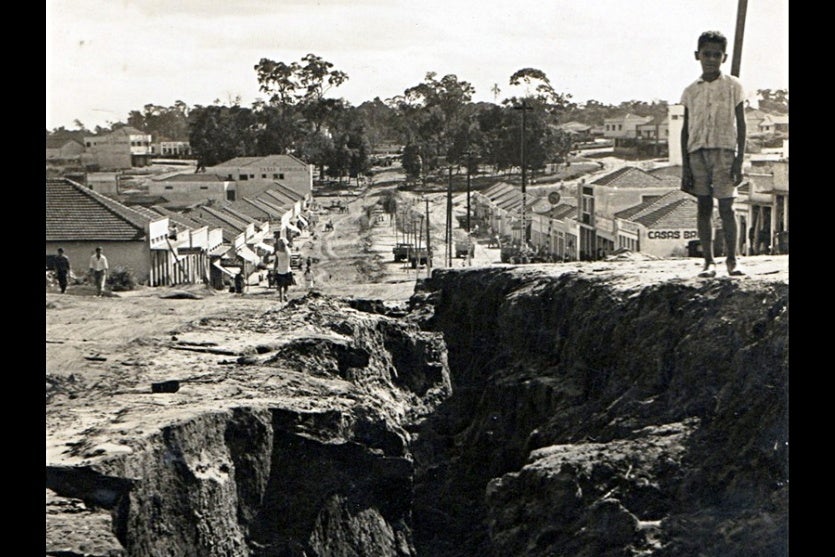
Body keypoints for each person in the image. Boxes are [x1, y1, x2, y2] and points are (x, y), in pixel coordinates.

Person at [680, 30, 746, 277]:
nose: (711, 59)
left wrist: (739, 160)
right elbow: (685, 130)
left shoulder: (733, 86)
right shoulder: (690, 91)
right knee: (704, 206)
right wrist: (685, 166)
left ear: (724, 57)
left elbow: (741, 124)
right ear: (697, 55)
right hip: (697, 153)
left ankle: (732, 259)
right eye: (706, 54)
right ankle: (708, 261)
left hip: (725, 152)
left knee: (727, 207)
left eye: (716, 55)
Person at [273, 237, 294, 302]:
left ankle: (280, 298)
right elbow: (290, 259)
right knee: (286, 285)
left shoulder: (278, 253)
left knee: (280, 286)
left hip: (280, 271)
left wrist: (274, 269)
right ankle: (285, 294)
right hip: (287, 270)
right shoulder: (288, 252)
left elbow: (276, 262)